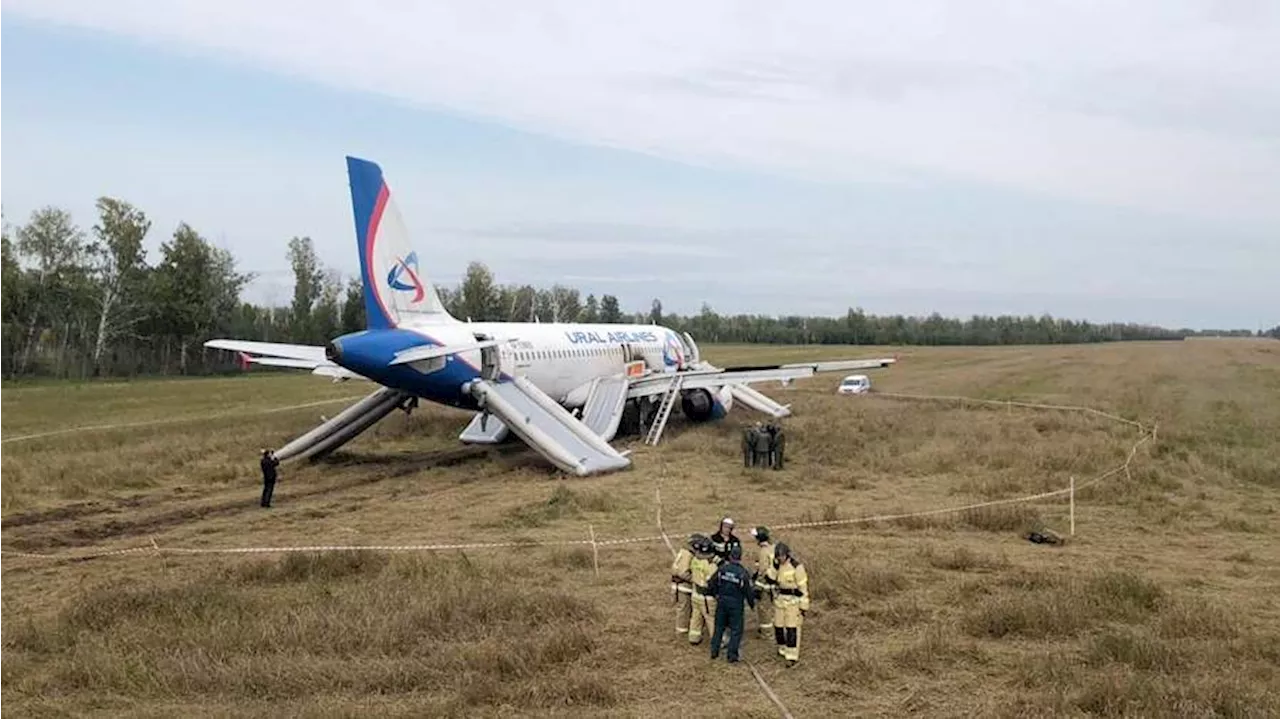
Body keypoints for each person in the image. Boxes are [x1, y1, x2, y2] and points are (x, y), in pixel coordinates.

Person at [706, 543, 756, 663]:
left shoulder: (722, 569)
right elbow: (748, 591)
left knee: (719, 628)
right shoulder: (742, 573)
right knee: (736, 630)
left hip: (722, 602)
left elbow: (711, 583)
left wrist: (715, 594)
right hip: (736, 605)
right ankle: (732, 656)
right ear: (740, 557)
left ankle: (714, 651)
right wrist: (752, 604)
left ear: (730, 556)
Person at [765, 542, 809, 666]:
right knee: (778, 626)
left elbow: (803, 588)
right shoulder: (777, 565)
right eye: (778, 557)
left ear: (787, 555)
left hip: (793, 602)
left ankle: (792, 656)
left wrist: (804, 606)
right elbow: (770, 577)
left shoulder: (797, 567)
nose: (781, 559)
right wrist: (774, 566)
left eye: (782, 557)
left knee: (791, 628)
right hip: (780, 600)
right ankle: (782, 649)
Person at [687, 535, 719, 645]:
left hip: (695, 593)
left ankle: (694, 637)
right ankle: (716, 640)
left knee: (696, 616)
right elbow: (712, 581)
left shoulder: (695, 560)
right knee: (711, 619)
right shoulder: (711, 565)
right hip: (707, 597)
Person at [671, 534, 701, 639]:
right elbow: (683, 573)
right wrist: (696, 580)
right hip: (683, 587)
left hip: (680, 586)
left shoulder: (684, 552)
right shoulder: (688, 555)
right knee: (684, 609)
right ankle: (682, 632)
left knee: (685, 608)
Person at [748, 526, 775, 637]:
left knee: (764, 609)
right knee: (772, 608)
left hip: (765, 586)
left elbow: (762, 572)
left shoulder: (763, 552)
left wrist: (757, 588)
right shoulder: (773, 548)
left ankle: (767, 633)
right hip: (773, 585)